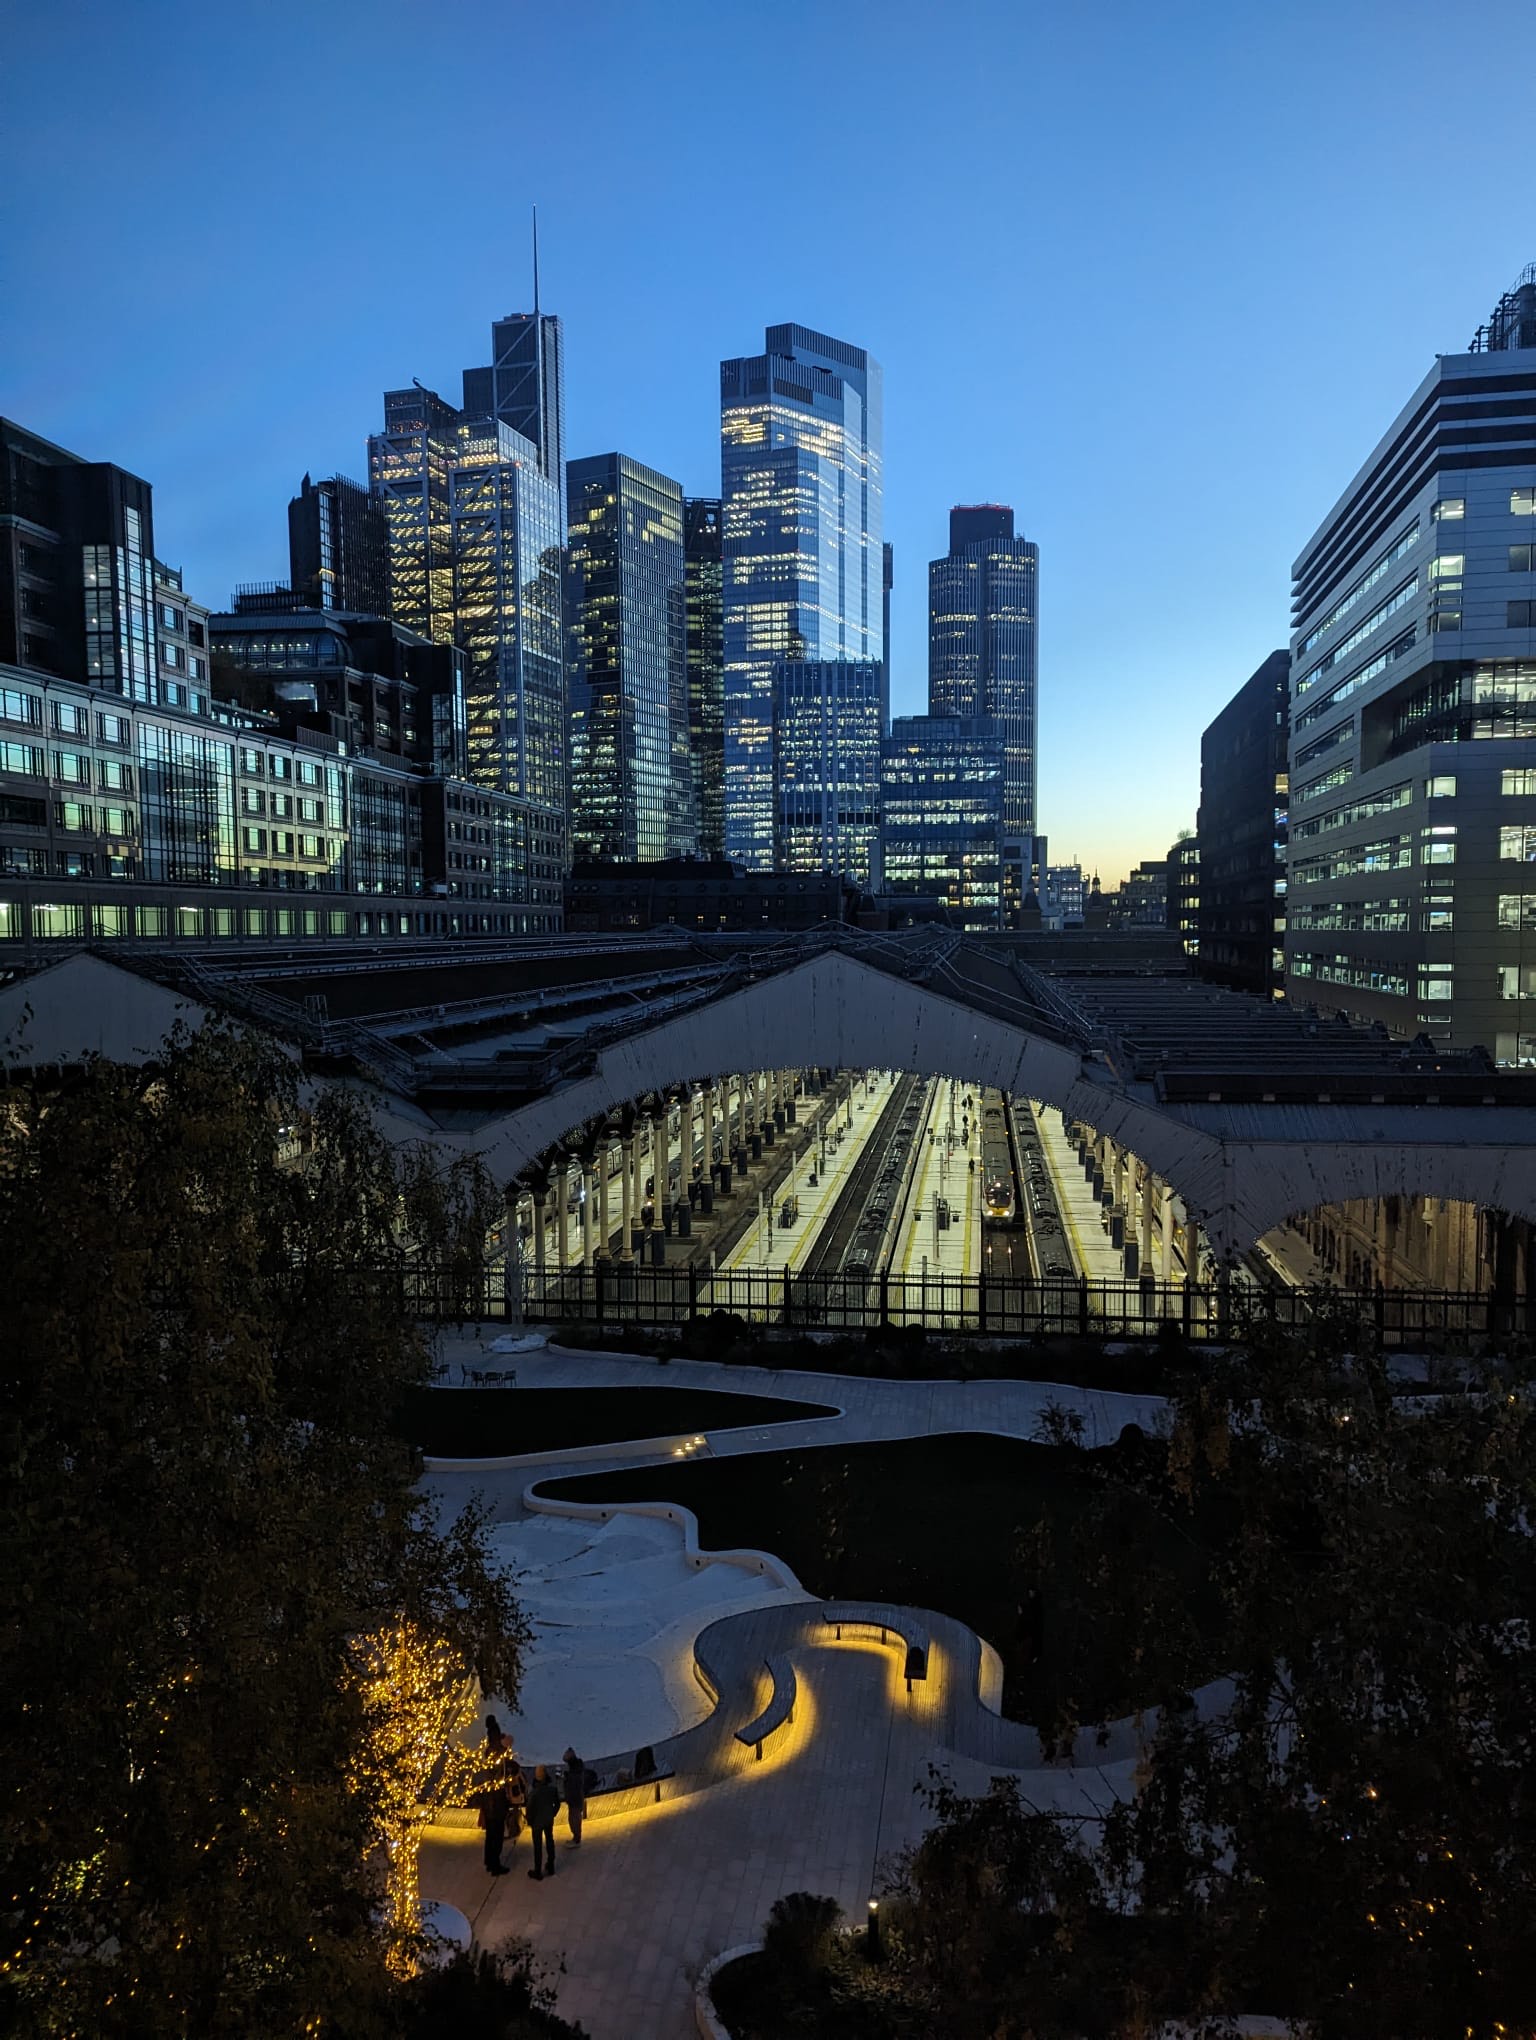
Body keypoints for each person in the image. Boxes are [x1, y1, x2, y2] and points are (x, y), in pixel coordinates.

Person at [525, 1763, 560, 1880]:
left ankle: (538, 1870)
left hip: (537, 1822)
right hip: (548, 1820)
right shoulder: (552, 1789)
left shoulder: (534, 1792)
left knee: (538, 1846)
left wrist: (529, 1821)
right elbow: (557, 1804)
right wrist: (552, 1814)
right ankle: (551, 1866)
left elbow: (529, 1809)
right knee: (550, 1841)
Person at [480, 1779, 509, 1876]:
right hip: (497, 1817)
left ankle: (489, 1862)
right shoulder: (499, 1789)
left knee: (489, 1839)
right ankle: (495, 1866)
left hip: (489, 1816)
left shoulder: (486, 1786)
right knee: (497, 1842)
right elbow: (503, 1804)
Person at [562, 1746, 587, 1846]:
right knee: (573, 1819)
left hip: (574, 1800)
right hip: (574, 1799)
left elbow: (574, 1786)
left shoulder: (575, 1773)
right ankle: (576, 1837)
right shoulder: (576, 1769)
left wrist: (567, 1779)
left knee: (574, 1820)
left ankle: (577, 1839)